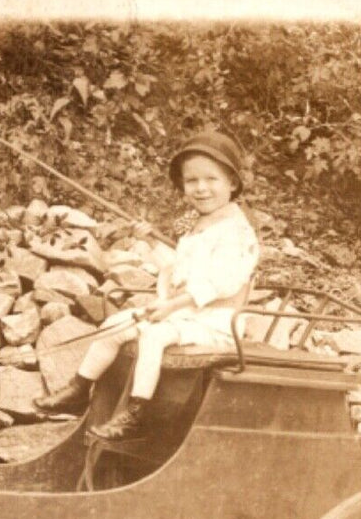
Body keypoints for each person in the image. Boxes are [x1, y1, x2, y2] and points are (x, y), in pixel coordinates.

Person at [33, 131, 261, 440]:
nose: (201, 188)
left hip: (214, 321)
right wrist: (149, 240)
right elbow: (177, 269)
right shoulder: (199, 225)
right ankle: (78, 389)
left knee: (153, 336)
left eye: (212, 179)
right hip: (185, 316)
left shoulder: (237, 231)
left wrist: (171, 305)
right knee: (115, 324)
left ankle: (136, 413)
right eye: (191, 181)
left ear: (232, 183)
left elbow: (221, 282)